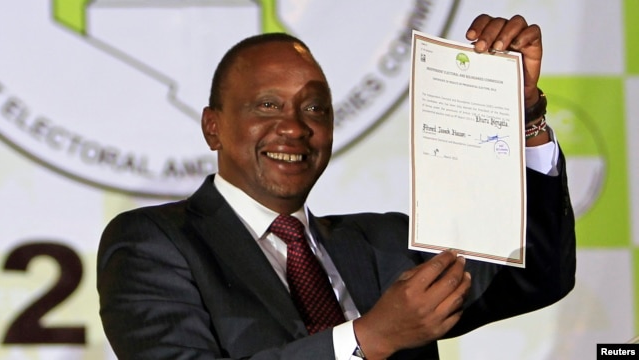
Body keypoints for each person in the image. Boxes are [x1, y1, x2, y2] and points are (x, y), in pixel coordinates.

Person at [97, 14, 575, 360]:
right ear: (213, 127)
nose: (294, 128)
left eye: (314, 108)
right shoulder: (151, 242)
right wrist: (369, 338)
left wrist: (526, 118)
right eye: (267, 106)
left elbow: (536, 274)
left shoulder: (388, 245)